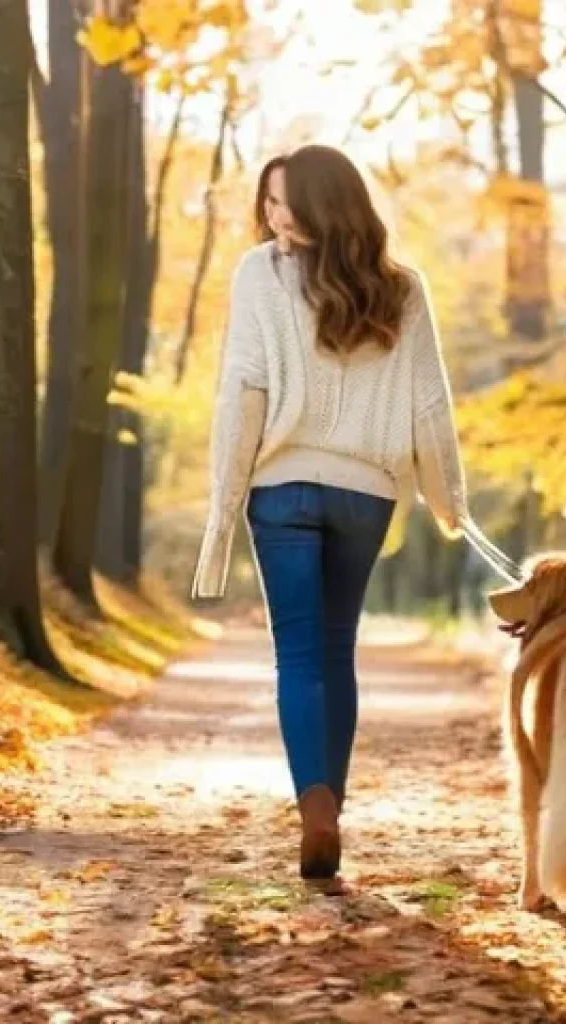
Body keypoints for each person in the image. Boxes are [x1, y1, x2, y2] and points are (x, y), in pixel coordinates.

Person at [191, 144, 468, 880]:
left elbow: (242, 392)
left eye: (284, 203)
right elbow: (430, 409)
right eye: (268, 203)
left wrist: (223, 506)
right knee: (336, 649)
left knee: (302, 654)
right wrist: (449, 504)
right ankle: (329, 813)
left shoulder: (259, 276)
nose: (273, 218)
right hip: (366, 495)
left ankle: (316, 809)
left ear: (323, 204)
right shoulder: (401, 289)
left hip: (281, 492)